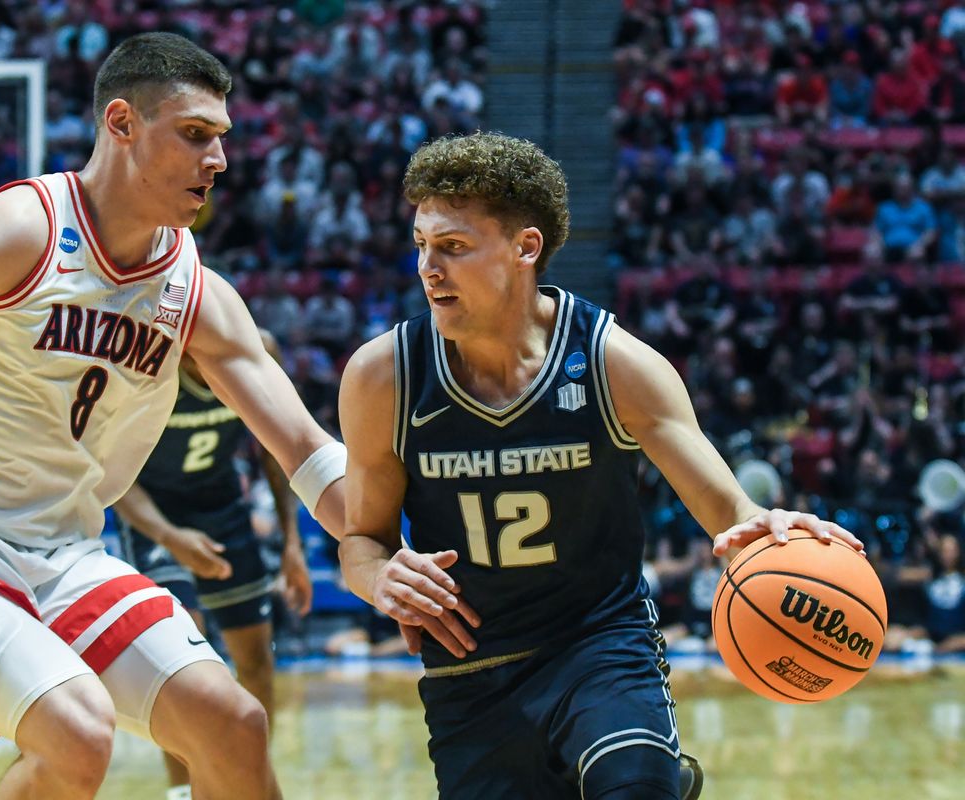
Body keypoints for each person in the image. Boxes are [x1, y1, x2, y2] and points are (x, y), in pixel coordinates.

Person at [0, 34, 350, 800]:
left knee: (233, 725)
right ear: (121, 123)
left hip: (61, 550)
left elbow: (307, 451)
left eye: (221, 140)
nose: (217, 160)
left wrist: (386, 544)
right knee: (78, 730)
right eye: (194, 135)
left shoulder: (196, 294)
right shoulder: (22, 227)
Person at [337, 133, 865, 800]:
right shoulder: (384, 376)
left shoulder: (615, 363)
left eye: (453, 247)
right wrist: (379, 575)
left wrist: (767, 532)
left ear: (526, 249)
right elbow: (362, 540)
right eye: (421, 244)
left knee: (634, 784)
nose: (427, 268)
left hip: (599, 647)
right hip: (471, 674)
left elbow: (731, 514)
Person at [114, 332, 312, 800]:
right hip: (155, 516)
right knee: (179, 662)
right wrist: (168, 536)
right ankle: (183, 790)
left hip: (224, 508)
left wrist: (292, 545)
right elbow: (109, 469)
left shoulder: (259, 348)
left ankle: (246, 777)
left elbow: (274, 447)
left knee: (258, 661)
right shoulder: (145, 358)